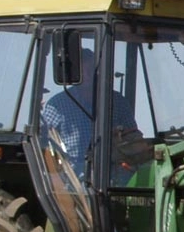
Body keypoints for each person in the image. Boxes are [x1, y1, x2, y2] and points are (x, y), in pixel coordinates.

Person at [39, 47, 148, 183]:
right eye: (83, 71)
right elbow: (42, 140)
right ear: (75, 74)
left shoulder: (118, 103)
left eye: (91, 71)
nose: (88, 76)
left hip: (113, 180)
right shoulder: (58, 105)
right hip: (73, 185)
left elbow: (132, 139)